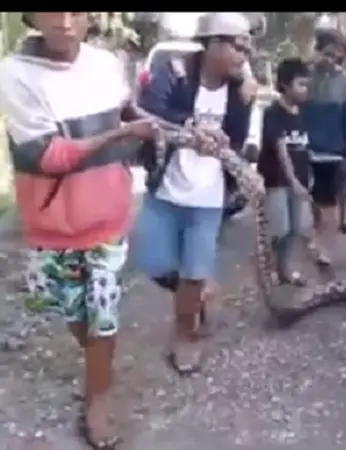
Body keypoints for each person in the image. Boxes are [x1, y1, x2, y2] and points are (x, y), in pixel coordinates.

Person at [0, 12, 158, 448]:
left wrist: (157, 126)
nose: (66, 22)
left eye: (77, 11)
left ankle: (98, 399)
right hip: (52, 224)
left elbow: (126, 110)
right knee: (76, 314)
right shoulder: (15, 75)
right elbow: (49, 156)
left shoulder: (107, 64)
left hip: (107, 217)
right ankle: (97, 365)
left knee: (102, 316)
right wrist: (122, 133)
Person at [132, 12, 254, 376]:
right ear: (213, 42)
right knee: (153, 263)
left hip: (208, 200)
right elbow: (148, 110)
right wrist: (191, 126)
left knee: (193, 273)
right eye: (237, 45)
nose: (244, 54)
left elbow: (236, 140)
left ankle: (186, 334)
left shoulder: (240, 92)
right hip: (165, 191)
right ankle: (196, 291)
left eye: (248, 47)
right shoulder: (175, 71)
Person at [303, 28, 346, 265]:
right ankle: (318, 233)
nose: (328, 58)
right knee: (313, 194)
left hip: (333, 149)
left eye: (333, 53)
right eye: (324, 52)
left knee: (330, 199)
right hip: (307, 146)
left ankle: (326, 244)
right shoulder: (306, 77)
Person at [257, 58, 313, 285]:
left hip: (298, 179)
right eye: (300, 84)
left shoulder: (304, 112)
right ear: (285, 85)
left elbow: (305, 148)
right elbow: (281, 150)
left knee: (294, 230)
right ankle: (267, 268)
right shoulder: (273, 113)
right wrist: (293, 181)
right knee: (280, 229)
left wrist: (307, 178)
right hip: (277, 180)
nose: (305, 89)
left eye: (306, 84)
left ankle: (284, 270)